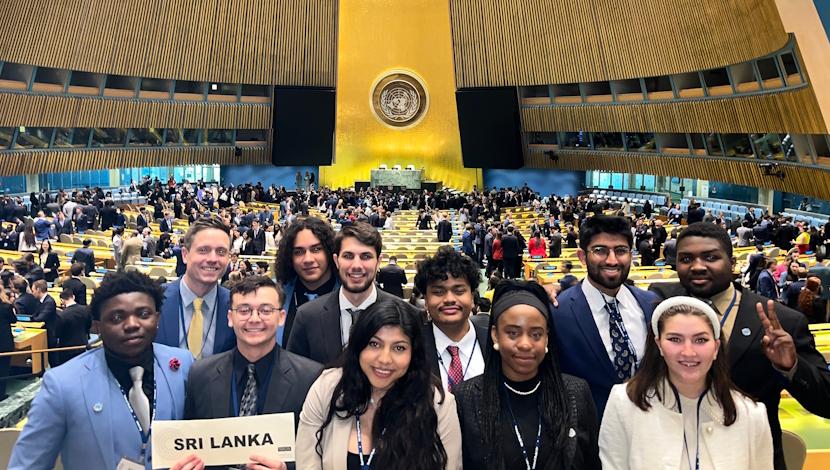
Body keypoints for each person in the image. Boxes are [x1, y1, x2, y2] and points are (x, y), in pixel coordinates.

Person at [649, 222, 830, 469]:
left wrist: (792, 367)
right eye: (686, 258)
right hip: (671, 456)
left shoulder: (782, 320)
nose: (698, 266)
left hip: (749, 458)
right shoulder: (659, 304)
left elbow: (826, 402)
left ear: (732, 263)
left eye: (711, 257)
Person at [9, 271, 194, 470]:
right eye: (117, 317)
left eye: (143, 314)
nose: (132, 324)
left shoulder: (182, 364)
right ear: (97, 327)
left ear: (157, 318)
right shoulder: (62, 384)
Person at [599, 296, 773, 469]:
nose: (688, 352)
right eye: (675, 339)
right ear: (659, 345)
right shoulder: (624, 403)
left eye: (700, 340)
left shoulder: (751, 415)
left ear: (716, 348)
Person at [173, 276, 322, 470]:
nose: (254, 319)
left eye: (265, 310)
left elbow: (320, 452)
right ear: (229, 318)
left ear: (281, 317)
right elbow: (192, 444)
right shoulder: (200, 374)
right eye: (244, 310)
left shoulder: (310, 377)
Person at [295, 297, 462, 469]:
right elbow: (307, 462)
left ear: (414, 353)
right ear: (359, 345)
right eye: (374, 344)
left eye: (399, 348)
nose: (384, 359)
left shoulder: (438, 404)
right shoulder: (328, 387)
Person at [454, 280, 601, 469]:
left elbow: (592, 463)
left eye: (536, 334)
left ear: (547, 337)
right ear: (495, 335)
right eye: (513, 333)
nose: (525, 344)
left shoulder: (576, 392)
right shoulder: (466, 398)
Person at [552, 215, 659, 418]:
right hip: (588, 433)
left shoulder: (651, 304)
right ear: (582, 257)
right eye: (600, 250)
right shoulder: (558, 311)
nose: (612, 260)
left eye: (620, 251)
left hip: (648, 425)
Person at [288, 223, 416, 365]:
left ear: (378, 262)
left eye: (365, 256)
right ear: (337, 261)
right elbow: (296, 375)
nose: (356, 265)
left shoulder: (409, 315)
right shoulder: (307, 316)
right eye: (348, 256)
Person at [156, 217, 235, 359]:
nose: (212, 258)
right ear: (185, 255)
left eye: (221, 252)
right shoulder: (155, 300)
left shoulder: (236, 306)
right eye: (203, 250)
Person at [415, 246, 488, 392]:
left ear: (472, 297)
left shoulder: (493, 341)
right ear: (426, 300)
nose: (449, 299)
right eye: (438, 292)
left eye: (459, 291)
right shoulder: (412, 345)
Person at [276, 217, 340, 346]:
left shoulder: (349, 295)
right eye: (298, 252)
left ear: (330, 251)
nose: (308, 259)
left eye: (316, 249)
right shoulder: (276, 294)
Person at [55, 287, 91, 366]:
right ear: (73, 297)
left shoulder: (62, 315)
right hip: (82, 344)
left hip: (67, 348)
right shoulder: (86, 309)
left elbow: (58, 333)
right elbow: (88, 325)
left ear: (62, 300)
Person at [31, 280, 59, 366]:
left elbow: (41, 318)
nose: (32, 293)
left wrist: (30, 319)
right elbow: (35, 315)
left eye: (33, 291)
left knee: (52, 358)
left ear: (38, 290)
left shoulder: (49, 302)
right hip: (44, 332)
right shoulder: (40, 301)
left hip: (51, 333)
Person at [0, 288, 16, 400]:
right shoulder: (6, 307)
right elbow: (13, 320)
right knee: (4, 368)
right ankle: (1, 394)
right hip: (4, 342)